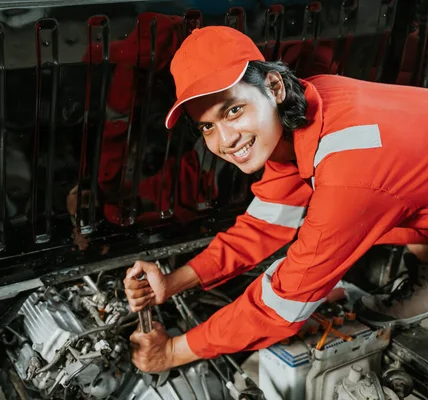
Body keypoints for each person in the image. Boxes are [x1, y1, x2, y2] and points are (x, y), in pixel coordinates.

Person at [123, 25, 428, 373]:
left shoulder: (350, 168)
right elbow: (264, 225)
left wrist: (175, 351)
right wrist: (174, 282)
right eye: (207, 127)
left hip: (371, 182)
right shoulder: (311, 106)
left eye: (233, 111)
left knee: (364, 225)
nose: (225, 140)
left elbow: (284, 304)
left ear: (274, 86)